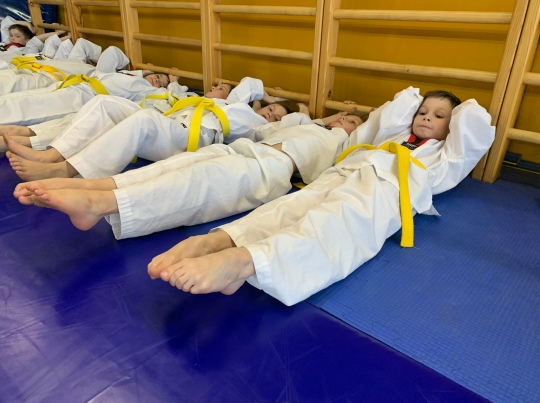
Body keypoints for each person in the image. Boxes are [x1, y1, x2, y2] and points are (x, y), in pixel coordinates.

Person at [137, 87, 495, 306]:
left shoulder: (445, 158)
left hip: (387, 189)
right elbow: (387, 118)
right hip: (346, 170)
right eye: (422, 112)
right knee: (287, 208)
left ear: (453, 126)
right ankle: (217, 242)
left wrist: (456, 112)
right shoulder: (391, 137)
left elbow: (474, 129)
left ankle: (245, 262)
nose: (426, 118)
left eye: (439, 116)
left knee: (332, 223)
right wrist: (413, 99)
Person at [11, 106, 365, 240]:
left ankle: (99, 205)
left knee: (193, 185)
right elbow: (273, 124)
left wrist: (351, 127)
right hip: (243, 149)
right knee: (170, 168)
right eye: (344, 117)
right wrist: (320, 116)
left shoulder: (346, 145)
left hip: (272, 170)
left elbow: (379, 126)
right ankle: (90, 186)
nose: (345, 121)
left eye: (352, 121)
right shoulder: (305, 126)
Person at [4, 83, 300, 180]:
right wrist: (268, 98)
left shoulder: (256, 128)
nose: (269, 114)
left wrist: (293, 111)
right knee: (105, 102)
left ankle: (66, 170)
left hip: (189, 139)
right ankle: (53, 154)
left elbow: (296, 122)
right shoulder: (236, 103)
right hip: (171, 125)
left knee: (144, 119)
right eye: (271, 109)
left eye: (275, 116)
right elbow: (250, 83)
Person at [0, 45, 179, 127]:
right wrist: (136, 70)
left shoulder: (146, 91)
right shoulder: (125, 74)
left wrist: (174, 82)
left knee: (29, 108)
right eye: (157, 76)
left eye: (161, 83)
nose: (157, 80)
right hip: (73, 85)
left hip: (85, 98)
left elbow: (171, 97)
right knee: (21, 98)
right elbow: (113, 52)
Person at [0, 37, 101, 96]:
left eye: (17, 36)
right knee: (79, 47)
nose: (13, 38)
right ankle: (98, 67)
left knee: (79, 43)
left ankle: (96, 64)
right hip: (45, 73)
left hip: (39, 67)